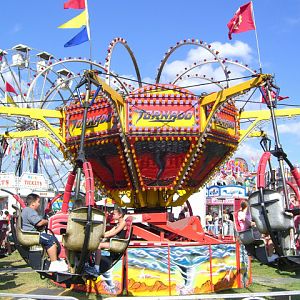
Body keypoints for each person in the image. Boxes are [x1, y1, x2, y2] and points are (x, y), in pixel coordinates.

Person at [22, 193, 68, 272]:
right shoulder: (29, 210)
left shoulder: (26, 210)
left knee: (49, 237)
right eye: (38, 202)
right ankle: (54, 264)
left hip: (30, 234)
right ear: (33, 203)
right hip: (31, 235)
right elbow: (39, 223)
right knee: (50, 240)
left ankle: (53, 260)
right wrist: (49, 221)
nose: (39, 204)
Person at [85, 206, 127, 275]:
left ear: (120, 215)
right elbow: (110, 231)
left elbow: (114, 233)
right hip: (114, 242)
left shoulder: (123, 223)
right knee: (94, 243)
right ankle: (89, 264)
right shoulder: (118, 223)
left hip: (118, 243)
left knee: (98, 245)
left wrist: (102, 236)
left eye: (114, 214)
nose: (112, 215)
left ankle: (96, 268)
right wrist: (100, 234)